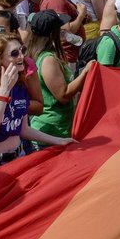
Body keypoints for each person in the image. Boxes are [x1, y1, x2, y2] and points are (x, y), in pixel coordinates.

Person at [0, 32, 71, 173]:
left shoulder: (19, 84)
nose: (21, 56)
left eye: (22, 50)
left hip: (18, 157)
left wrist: (59, 141)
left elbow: (23, 129)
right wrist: (3, 91)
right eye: (14, 53)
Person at [28, 11, 82, 141]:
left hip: (52, 129)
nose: (64, 31)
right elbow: (62, 95)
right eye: (60, 28)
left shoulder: (35, 53)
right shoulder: (48, 60)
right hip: (52, 132)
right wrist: (85, 73)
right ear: (53, 34)